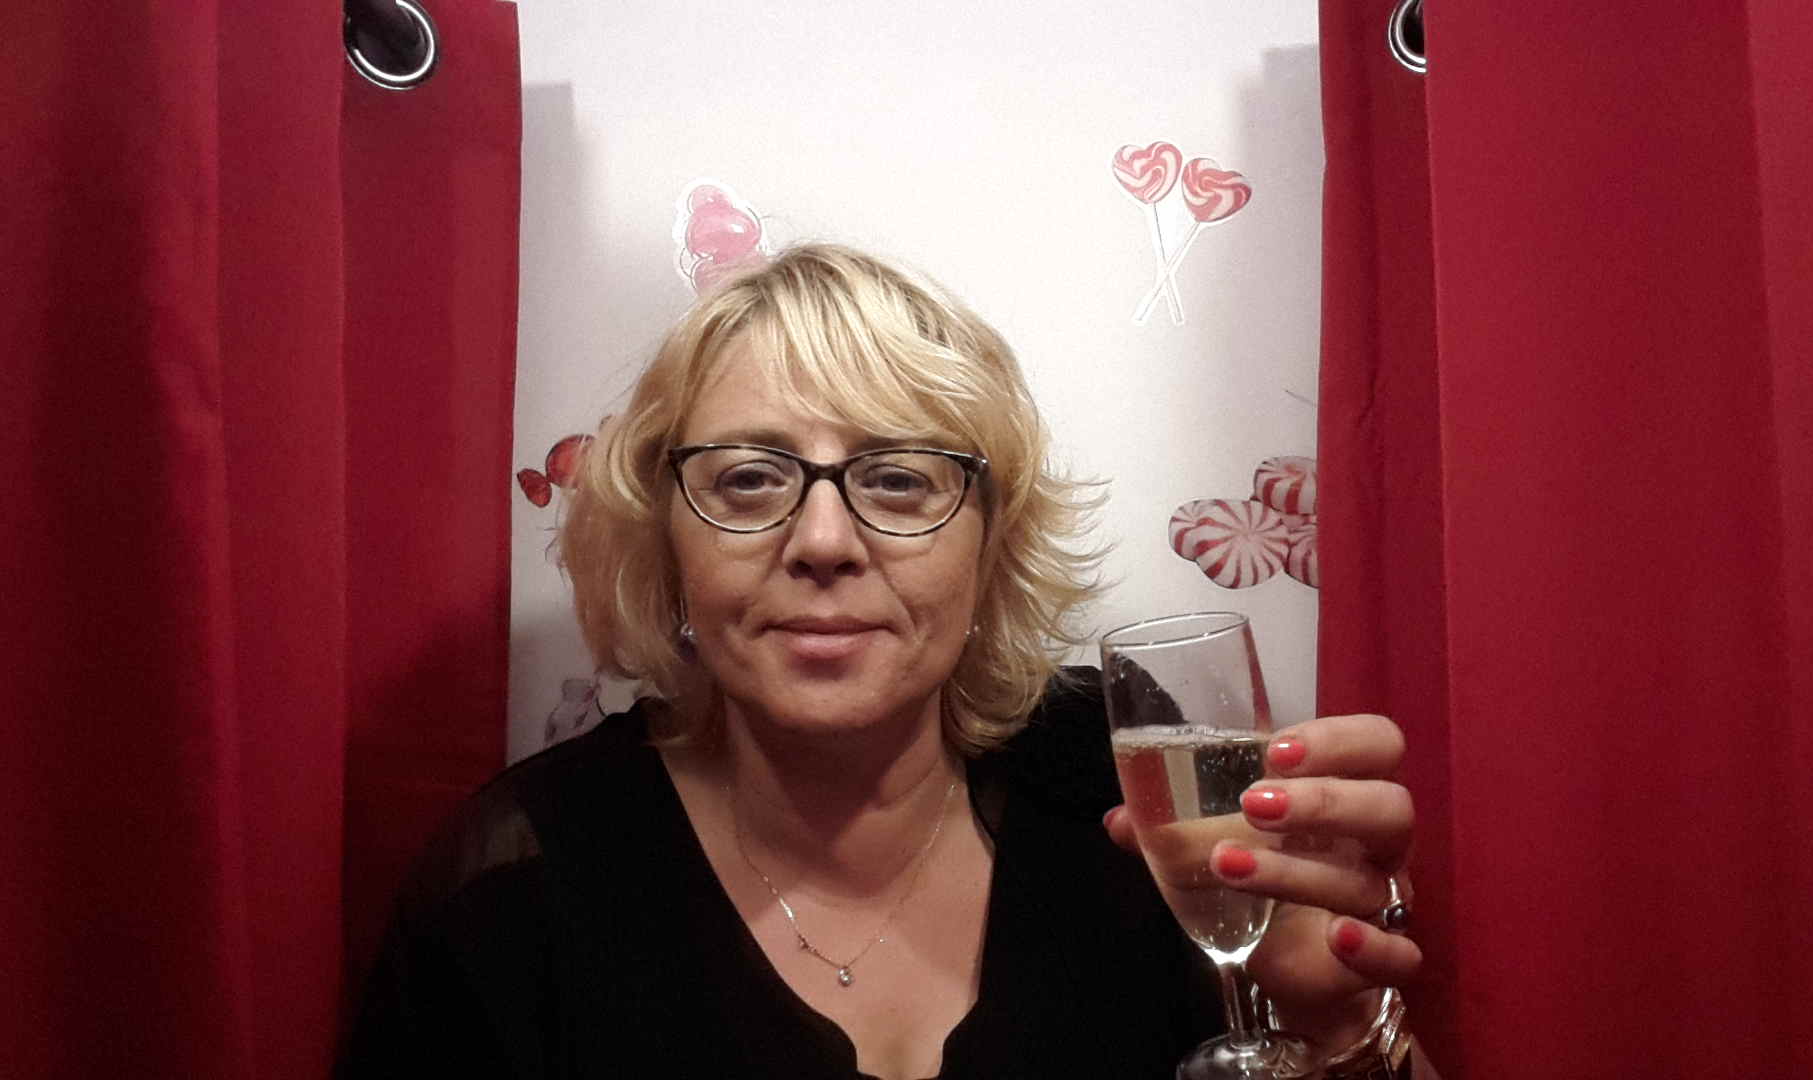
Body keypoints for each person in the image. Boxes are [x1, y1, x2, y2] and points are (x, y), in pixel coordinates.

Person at [338, 244, 1428, 1079]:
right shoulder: (515, 889)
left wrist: (1339, 1025)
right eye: (749, 479)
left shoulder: (1127, 792)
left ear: (989, 545)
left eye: (901, 480)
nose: (823, 542)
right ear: (665, 541)